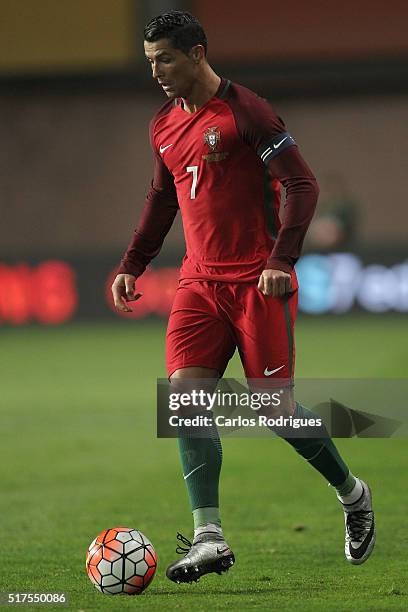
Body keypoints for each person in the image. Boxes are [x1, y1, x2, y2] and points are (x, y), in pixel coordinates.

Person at [111, 11, 375, 584]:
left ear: (198, 53)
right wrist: (134, 264)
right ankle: (209, 536)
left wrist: (282, 259)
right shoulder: (162, 125)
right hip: (199, 282)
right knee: (185, 396)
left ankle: (353, 495)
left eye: (166, 59)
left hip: (258, 280)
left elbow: (303, 185)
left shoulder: (247, 112)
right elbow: (163, 201)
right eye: (150, 59)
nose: (156, 70)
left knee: (273, 408)